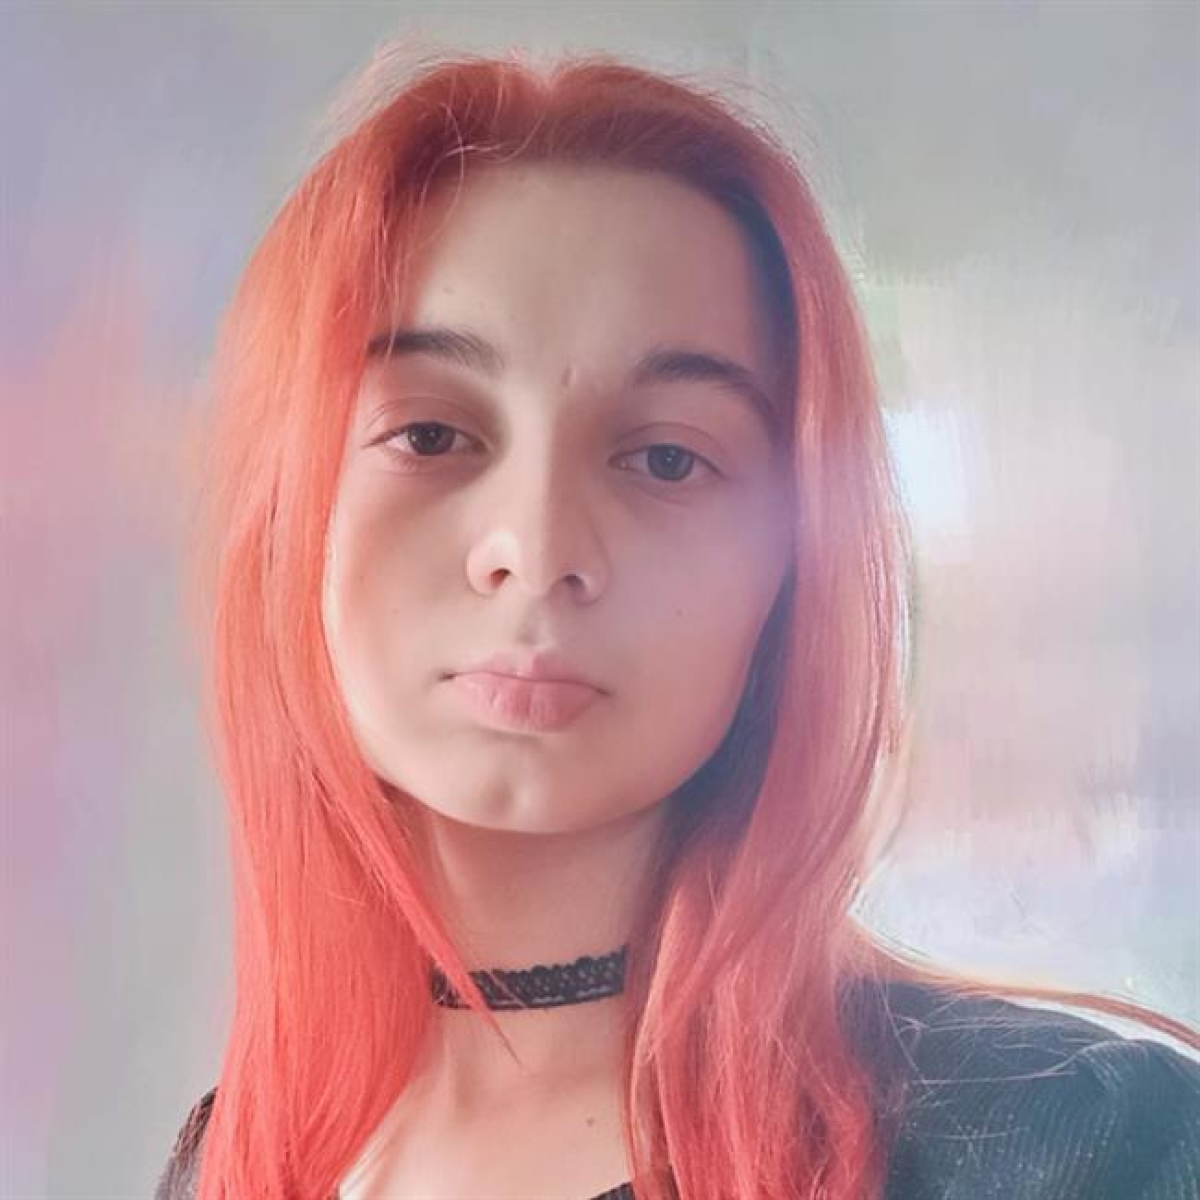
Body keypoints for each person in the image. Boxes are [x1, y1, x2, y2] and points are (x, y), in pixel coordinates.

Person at [156, 44, 1200, 1200]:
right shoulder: (227, 1161)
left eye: (666, 457)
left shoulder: (1090, 1151)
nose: (538, 549)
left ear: (787, 571)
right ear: (284, 518)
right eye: (431, 436)